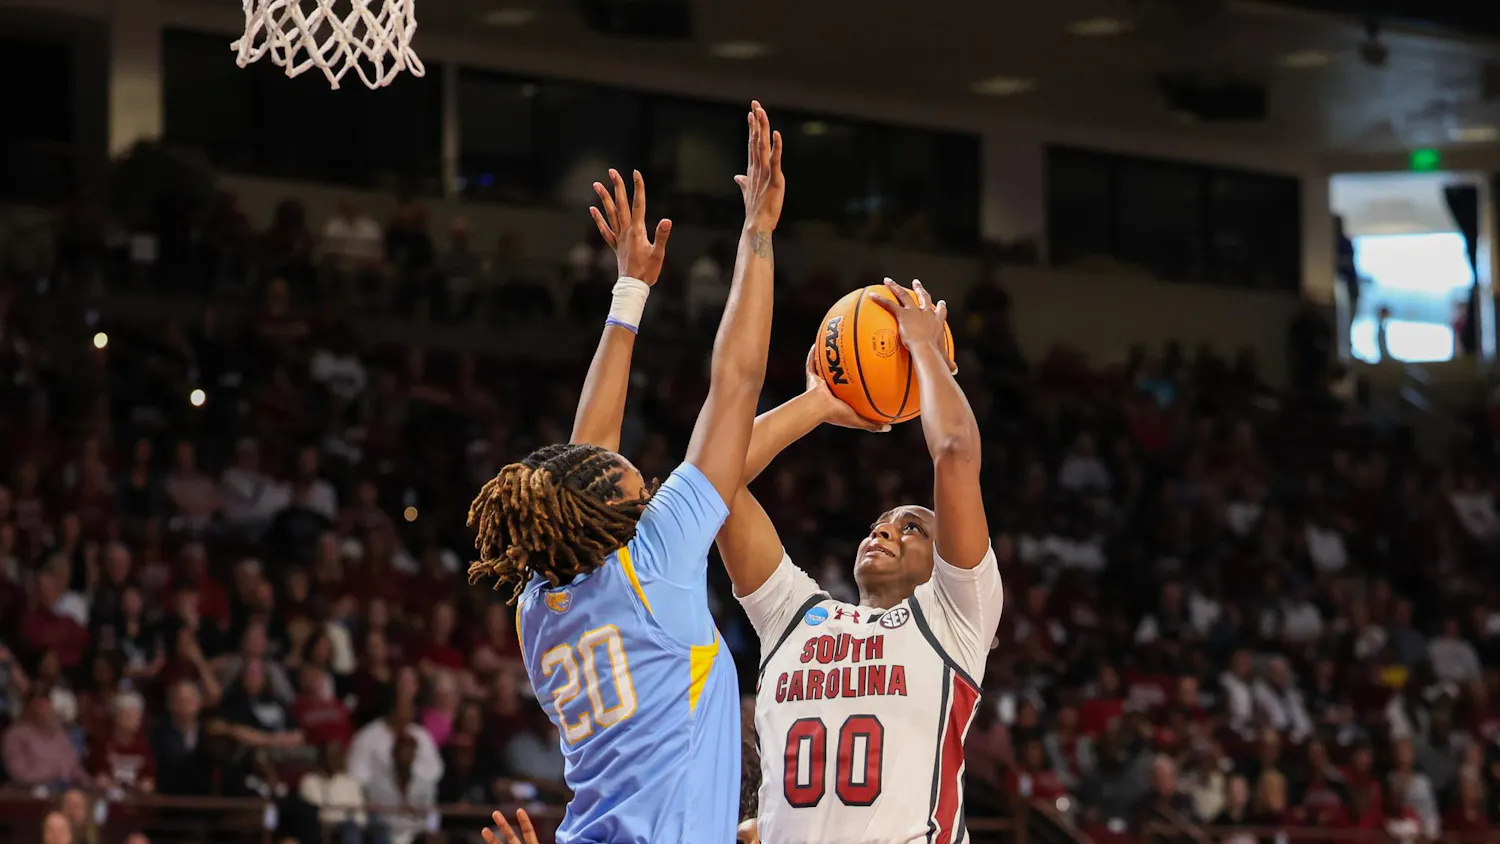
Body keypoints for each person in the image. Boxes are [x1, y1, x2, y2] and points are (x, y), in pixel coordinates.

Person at [465, 101, 785, 844]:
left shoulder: (542, 602)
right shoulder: (653, 563)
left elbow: (585, 452)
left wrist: (630, 291)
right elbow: (735, 383)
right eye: (621, 471)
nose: (627, 458)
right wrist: (758, 236)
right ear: (613, 512)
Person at [717, 279, 1003, 843]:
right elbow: (713, 483)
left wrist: (922, 348)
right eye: (880, 524)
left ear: (943, 561)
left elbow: (955, 453)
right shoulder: (794, 616)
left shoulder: (955, 616)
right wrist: (818, 402)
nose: (885, 529)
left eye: (912, 526)